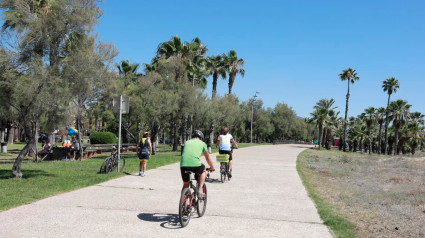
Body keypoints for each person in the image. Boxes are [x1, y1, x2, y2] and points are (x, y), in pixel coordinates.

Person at [180, 130, 215, 198]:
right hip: (195, 165)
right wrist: (212, 167)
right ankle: (200, 190)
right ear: (201, 138)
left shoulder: (187, 142)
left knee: (186, 185)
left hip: (183, 165)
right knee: (203, 169)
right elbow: (207, 158)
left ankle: (183, 202)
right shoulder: (202, 143)